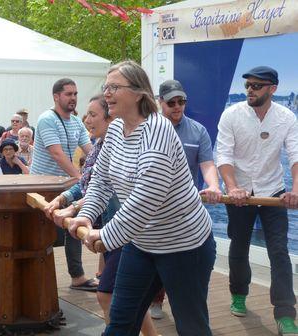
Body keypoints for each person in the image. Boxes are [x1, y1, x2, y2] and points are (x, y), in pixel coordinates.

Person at [70, 60, 216, 336]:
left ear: (139, 93)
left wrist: (104, 236)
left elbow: (146, 198)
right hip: (142, 242)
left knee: (192, 327)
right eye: (105, 87)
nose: (107, 93)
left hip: (184, 245)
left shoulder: (157, 130)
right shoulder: (114, 130)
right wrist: (86, 215)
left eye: (114, 87)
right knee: (120, 323)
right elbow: (101, 180)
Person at [44, 94, 158, 335]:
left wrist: (73, 208)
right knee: (126, 299)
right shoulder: (99, 146)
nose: (86, 120)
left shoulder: (122, 149)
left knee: (107, 294)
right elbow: (88, 185)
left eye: (93, 115)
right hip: (110, 231)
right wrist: (62, 198)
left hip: (126, 232)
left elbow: (111, 190)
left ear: (111, 118)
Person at [216, 66, 298, 334]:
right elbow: (224, 156)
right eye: (248, 85)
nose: (249, 90)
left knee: (279, 252)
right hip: (240, 193)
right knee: (239, 246)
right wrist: (233, 187)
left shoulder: (287, 118)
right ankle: (238, 294)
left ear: (272, 89)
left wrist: (295, 188)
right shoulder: (231, 115)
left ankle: (285, 314)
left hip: (272, 191)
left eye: (256, 86)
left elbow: (295, 156)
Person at [150, 79, 222, 319]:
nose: (177, 106)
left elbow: (207, 164)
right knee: (158, 258)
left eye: (182, 101)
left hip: (188, 210)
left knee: (190, 260)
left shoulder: (198, 131)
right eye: (171, 102)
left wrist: (213, 185)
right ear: (160, 102)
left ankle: (189, 306)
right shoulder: (149, 128)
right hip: (154, 209)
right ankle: (156, 299)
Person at [30, 78, 95, 291]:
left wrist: (104, 166)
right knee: (40, 232)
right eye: (69, 94)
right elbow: (57, 154)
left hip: (66, 184)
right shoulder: (47, 119)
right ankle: (36, 279)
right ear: (56, 97)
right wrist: (80, 178)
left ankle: (77, 276)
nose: (74, 98)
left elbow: (90, 151)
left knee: (74, 226)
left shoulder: (76, 122)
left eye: (75, 94)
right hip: (44, 185)